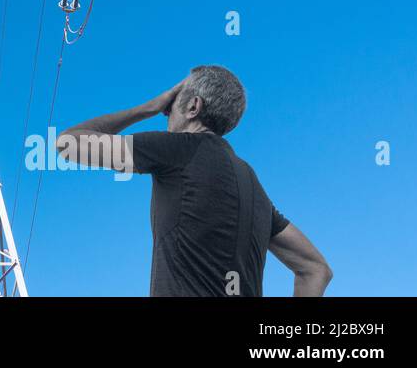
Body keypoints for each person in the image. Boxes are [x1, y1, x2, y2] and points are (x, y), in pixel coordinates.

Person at [56, 64, 332, 297]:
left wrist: (147, 108)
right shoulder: (251, 184)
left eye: (170, 106)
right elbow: (315, 269)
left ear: (193, 106)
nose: (166, 114)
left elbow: (67, 143)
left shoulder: (179, 149)